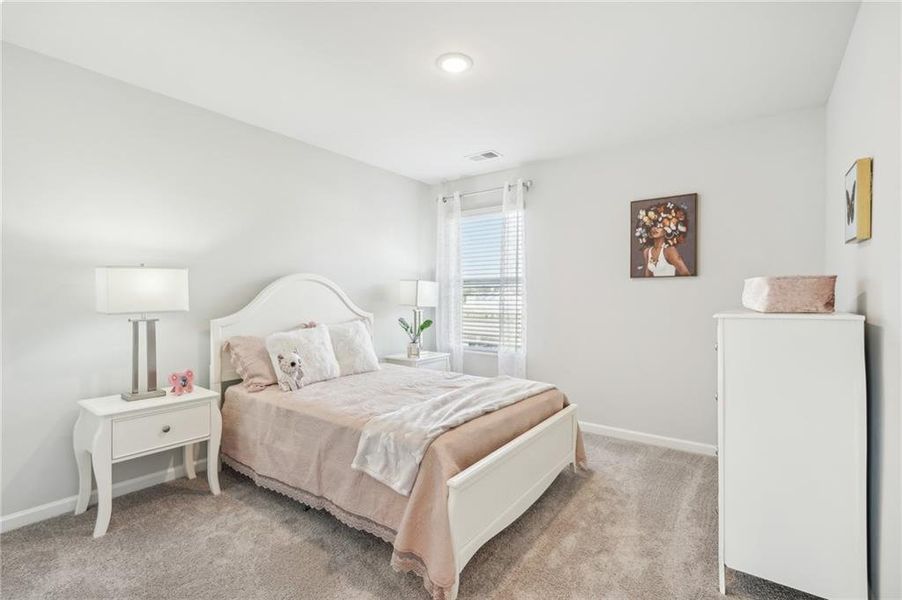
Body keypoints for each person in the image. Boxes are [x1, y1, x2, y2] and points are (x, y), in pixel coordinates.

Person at [634, 201, 691, 277]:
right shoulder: (647, 252)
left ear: (667, 230)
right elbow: (648, 277)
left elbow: (686, 274)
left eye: (660, 226)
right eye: (653, 225)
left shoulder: (669, 251)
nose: (655, 229)